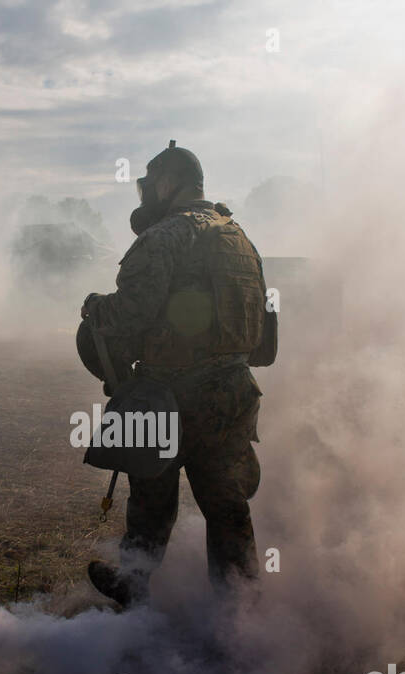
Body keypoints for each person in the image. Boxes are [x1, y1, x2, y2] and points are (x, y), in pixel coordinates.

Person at [80, 141, 270, 606]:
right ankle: (240, 609)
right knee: (228, 508)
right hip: (233, 393)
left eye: (149, 186)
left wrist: (94, 308)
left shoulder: (167, 235)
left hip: (169, 395)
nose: (145, 197)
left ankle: (134, 584)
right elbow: (263, 332)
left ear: (167, 183)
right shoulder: (238, 236)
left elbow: (130, 314)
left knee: (150, 497)